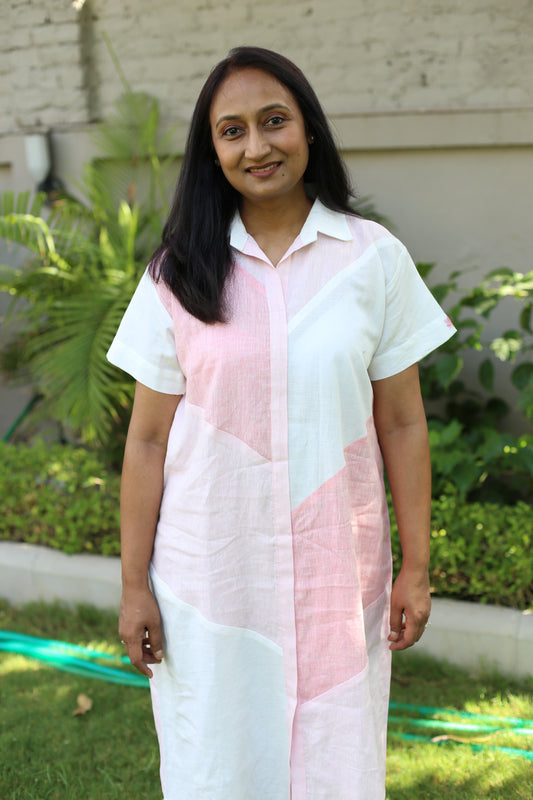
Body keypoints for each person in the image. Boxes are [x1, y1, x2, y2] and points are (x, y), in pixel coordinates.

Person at [107, 45, 455, 800]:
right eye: (231, 131)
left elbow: (400, 424)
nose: (256, 146)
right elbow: (147, 439)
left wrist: (417, 567)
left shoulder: (372, 258)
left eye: (274, 121)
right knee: (216, 765)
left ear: (307, 129)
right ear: (212, 151)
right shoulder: (178, 271)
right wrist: (134, 585)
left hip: (338, 573)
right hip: (210, 581)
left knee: (334, 762)